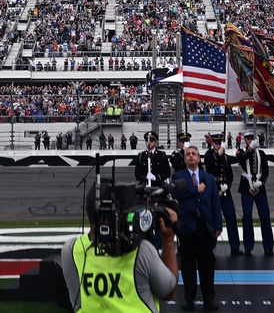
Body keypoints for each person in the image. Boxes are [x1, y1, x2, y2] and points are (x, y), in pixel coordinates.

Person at [60, 184, 178, 312]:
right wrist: (168, 241)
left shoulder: (71, 251)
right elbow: (168, 291)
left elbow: (77, 304)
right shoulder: (141, 251)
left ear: (86, 210)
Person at [171, 145, 222, 311]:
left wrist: (218, 225)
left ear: (199, 159)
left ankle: (209, 298)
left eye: (194, 154)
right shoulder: (178, 176)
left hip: (205, 226)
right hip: (186, 226)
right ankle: (188, 298)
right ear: (185, 159)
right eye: (188, 154)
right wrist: (195, 189)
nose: (191, 156)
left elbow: (215, 202)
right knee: (187, 265)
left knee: (207, 264)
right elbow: (176, 194)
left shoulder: (209, 177)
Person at [202, 131, 242, 256]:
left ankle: (235, 247)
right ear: (212, 143)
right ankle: (211, 246)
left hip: (225, 190)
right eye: (216, 143)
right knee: (213, 220)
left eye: (220, 143)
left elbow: (230, 173)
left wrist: (227, 184)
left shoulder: (225, 157)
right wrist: (219, 152)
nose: (218, 145)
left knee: (231, 218)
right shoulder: (209, 154)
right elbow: (210, 165)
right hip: (213, 190)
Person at [235, 130, 274, 256]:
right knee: (247, 217)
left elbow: (266, 170)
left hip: (259, 187)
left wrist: (261, 182)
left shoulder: (261, 153)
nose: (250, 140)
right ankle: (248, 246)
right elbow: (242, 160)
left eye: (252, 138)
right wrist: (249, 150)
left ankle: (268, 246)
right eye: (248, 139)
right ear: (244, 140)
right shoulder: (240, 152)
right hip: (246, 186)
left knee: (265, 216)